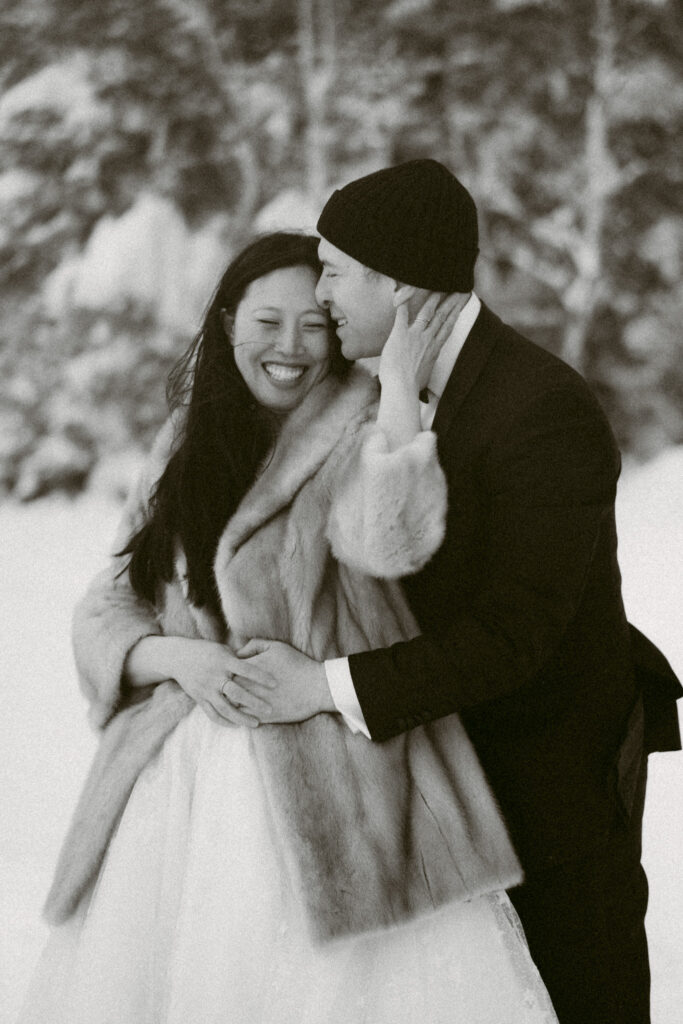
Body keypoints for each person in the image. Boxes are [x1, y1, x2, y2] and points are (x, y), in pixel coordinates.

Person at [19, 231, 559, 1024]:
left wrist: (399, 397)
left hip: (324, 772)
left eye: (314, 325)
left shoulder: (357, 433)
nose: (291, 348)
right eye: (267, 323)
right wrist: (178, 659)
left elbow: (391, 543)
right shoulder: (183, 441)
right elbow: (113, 600)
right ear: (228, 320)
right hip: (179, 775)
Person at [224, 163, 683, 1024]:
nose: (319, 295)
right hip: (437, 781)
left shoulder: (540, 408)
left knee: (579, 994)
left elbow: (514, 638)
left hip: (549, 784)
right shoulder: (368, 395)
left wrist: (318, 687)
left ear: (394, 283)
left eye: (332, 271)